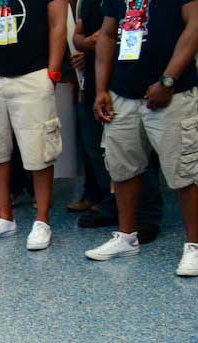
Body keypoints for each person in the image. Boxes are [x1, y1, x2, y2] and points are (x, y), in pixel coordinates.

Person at [85, 0, 198, 275]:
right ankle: (127, 237)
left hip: (172, 92)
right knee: (122, 167)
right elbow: (108, 34)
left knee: (185, 170)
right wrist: (101, 89)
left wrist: (167, 81)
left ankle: (194, 245)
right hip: (123, 91)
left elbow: (195, 26)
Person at [0, 0, 68, 251]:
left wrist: (52, 72)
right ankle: (4, 218)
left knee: (40, 149)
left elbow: (58, 25)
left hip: (33, 73)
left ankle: (42, 221)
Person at [71, 0, 162, 240]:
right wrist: (85, 43)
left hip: (133, 81)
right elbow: (79, 34)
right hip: (95, 79)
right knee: (101, 151)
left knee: (138, 155)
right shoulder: (86, 3)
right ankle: (112, 205)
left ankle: (146, 216)